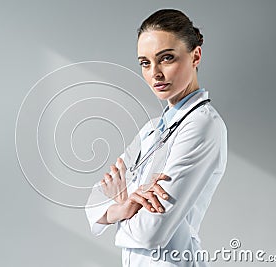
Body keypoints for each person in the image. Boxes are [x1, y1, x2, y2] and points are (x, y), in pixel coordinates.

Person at [85, 9, 227, 266]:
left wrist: (117, 210)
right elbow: (94, 202)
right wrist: (125, 206)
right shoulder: (151, 130)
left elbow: (151, 233)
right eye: (145, 63)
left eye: (167, 58)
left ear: (196, 56)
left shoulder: (202, 125)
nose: (155, 73)